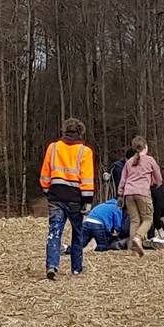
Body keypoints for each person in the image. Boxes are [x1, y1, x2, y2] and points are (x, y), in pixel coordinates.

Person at [39, 117, 95, 281]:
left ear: (64, 131)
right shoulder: (85, 151)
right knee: (77, 233)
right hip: (75, 199)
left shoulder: (53, 148)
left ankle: (52, 265)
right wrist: (87, 201)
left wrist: (48, 191)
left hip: (56, 196)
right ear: (80, 132)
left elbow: (44, 174)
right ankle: (76, 268)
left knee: (54, 232)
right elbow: (87, 179)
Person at [117, 136, 162, 256]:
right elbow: (158, 179)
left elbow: (123, 180)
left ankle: (133, 250)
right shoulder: (150, 160)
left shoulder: (129, 162)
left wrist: (120, 195)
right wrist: (153, 184)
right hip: (142, 192)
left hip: (128, 193)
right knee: (148, 219)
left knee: (134, 221)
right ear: (145, 146)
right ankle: (138, 237)